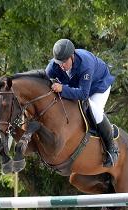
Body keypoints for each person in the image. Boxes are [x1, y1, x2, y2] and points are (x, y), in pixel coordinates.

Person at [45, 38, 118, 167]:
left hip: (98, 86)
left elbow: (84, 94)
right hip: (77, 87)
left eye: (64, 62)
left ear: (72, 56)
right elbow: (45, 82)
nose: (61, 66)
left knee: (94, 110)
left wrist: (62, 89)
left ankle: (111, 147)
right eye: (59, 62)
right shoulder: (54, 66)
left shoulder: (85, 64)